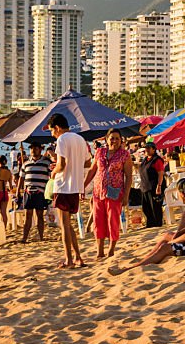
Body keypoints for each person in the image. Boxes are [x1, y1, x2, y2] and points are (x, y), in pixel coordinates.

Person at [110, 179, 185, 275]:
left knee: (165, 247)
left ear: (181, 194)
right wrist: (177, 232)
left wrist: (171, 243)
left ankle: (130, 268)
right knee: (167, 235)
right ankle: (146, 259)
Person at [48, 113, 89, 268]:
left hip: (64, 185)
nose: (52, 135)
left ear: (57, 128)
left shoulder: (62, 139)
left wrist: (53, 172)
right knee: (68, 224)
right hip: (76, 186)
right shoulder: (80, 139)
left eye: (52, 131)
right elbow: (87, 162)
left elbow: (62, 165)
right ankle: (78, 257)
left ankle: (69, 260)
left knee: (64, 225)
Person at [84, 129, 133, 258]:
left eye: (117, 138)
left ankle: (111, 250)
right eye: (112, 138)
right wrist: (82, 187)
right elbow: (92, 170)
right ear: (106, 139)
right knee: (98, 221)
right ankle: (100, 251)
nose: (114, 141)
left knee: (113, 221)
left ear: (121, 140)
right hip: (98, 191)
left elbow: (129, 176)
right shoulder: (100, 152)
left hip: (115, 192)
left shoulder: (125, 155)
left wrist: (126, 196)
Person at [17, 143, 53, 244]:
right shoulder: (26, 163)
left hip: (40, 192)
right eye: (32, 148)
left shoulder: (46, 162)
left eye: (35, 148)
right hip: (28, 192)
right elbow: (21, 177)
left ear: (40, 149)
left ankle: (41, 237)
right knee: (28, 215)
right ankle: (24, 238)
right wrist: (17, 192)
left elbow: (52, 176)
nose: (33, 150)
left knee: (39, 215)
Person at [139, 142, 166, 228]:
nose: (146, 150)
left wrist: (159, 186)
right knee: (146, 207)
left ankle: (157, 224)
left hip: (154, 186)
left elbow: (160, 173)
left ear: (154, 149)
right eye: (145, 148)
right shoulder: (145, 160)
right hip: (145, 187)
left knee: (155, 207)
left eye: (148, 148)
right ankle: (150, 224)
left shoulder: (157, 160)